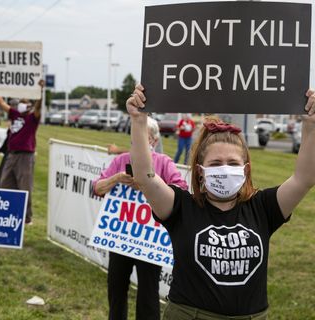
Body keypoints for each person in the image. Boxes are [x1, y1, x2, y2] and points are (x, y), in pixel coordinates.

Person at [126, 84, 315, 320]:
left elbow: (304, 178)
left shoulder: (263, 207)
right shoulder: (181, 207)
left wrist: (311, 125)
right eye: (216, 163)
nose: (225, 169)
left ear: (245, 169)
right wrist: (138, 120)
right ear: (201, 171)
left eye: (233, 163)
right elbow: (145, 177)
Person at [94, 116, 188, 320]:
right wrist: (117, 178)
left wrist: (151, 183)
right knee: (116, 289)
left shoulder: (163, 162)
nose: (135, 143)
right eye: (133, 139)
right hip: (120, 237)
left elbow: (182, 189)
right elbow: (97, 187)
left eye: (141, 139)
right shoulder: (121, 161)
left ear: (153, 141)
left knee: (148, 293)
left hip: (149, 240)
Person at [0, 80, 44, 225]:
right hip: (11, 154)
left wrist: (40, 91)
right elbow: (1, 103)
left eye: (25, 101)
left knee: (24, 186)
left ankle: (27, 217)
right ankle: (8, 214)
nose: (22, 103)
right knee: (5, 183)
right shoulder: (15, 114)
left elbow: (39, 107)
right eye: (20, 101)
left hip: (25, 155)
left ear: (29, 105)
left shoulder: (32, 118)